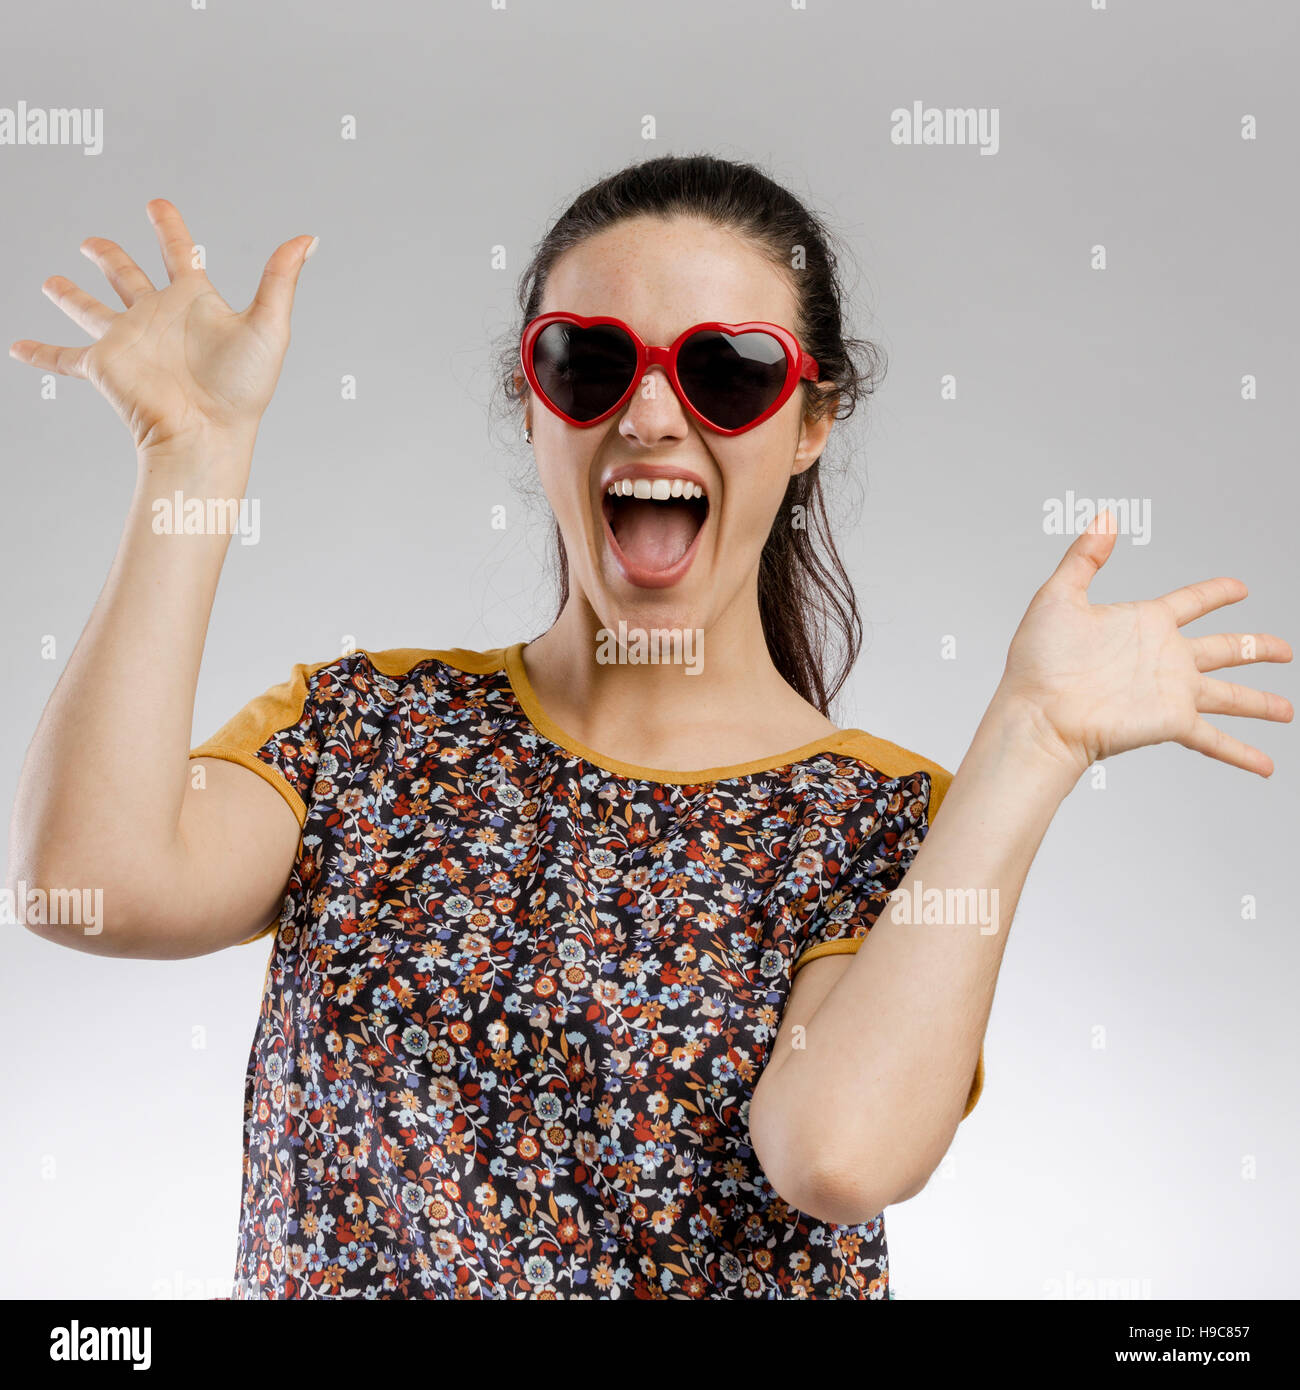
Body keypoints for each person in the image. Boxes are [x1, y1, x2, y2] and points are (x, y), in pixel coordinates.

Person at [8, 154, 1291, 1300]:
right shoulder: (366, 729)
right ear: (534, 402)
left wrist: (1034, 741)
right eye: (593, 361)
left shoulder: (884, 820)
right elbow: (80, 885)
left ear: (810, 421)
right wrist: (192, 454)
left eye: (728, 372)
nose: (652, 413)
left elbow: (840, 1154)